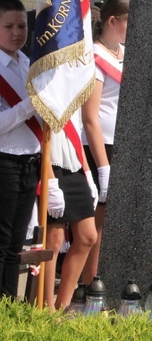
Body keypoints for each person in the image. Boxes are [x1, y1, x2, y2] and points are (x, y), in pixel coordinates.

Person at [81, 0, 129, 285]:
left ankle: (101, 281)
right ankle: (89, 286)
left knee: (111, 225)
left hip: (122, 143)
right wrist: (103, 168)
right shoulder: (95, 57)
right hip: (102, 147)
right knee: (98, 225)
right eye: (129, 21)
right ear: (112, 21)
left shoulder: (123, 53)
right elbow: (90, 117)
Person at [0, 0, 41, 299]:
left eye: (22, 26)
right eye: (9, 26)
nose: (17, 32)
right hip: (5, 161)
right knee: (1, 243)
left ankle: (9, 306)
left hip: (31, 161)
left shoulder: (28, 63)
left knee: (16, 245)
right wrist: (30, 105)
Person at [44, 109, 99, 311]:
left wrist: (88, 173)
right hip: (50, 162)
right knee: (54, 240)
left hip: (74, 163)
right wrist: (49, 179)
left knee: (87, 236)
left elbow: (76, 128)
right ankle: (47, 309)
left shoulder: (74, 84)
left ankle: (64, 304)